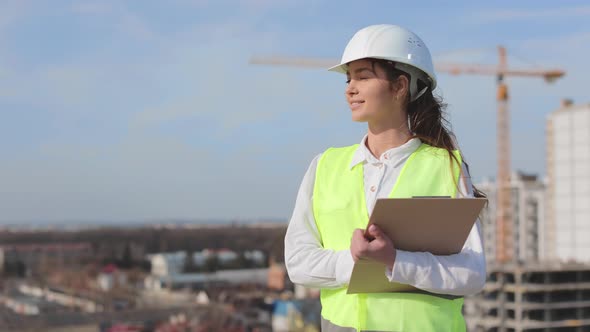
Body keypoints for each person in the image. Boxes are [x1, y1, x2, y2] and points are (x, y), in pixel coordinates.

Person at [284, 24, 487, 332]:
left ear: (400, 86)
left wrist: (394, 260)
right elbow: (298, 262)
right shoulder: (324, 166)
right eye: (348, 77)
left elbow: (471, 273)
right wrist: (356, 263)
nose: (349, 88)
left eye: (363, 76)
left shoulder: (446, 167)